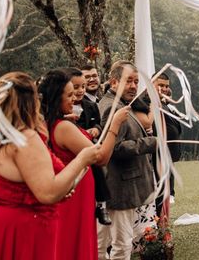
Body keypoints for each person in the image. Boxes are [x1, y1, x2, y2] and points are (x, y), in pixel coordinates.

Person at [0, 72, 100, 260]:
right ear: (31, 102)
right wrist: (83, 158)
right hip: (17, 233)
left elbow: (20, 181)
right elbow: (47, 193)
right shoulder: (24, 137)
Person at [39, 69, 130, 260]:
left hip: (78, 192)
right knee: (73, 243)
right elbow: (101, 157)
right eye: (70, 95)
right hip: (75, 195)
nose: (75, 99)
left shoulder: (53, 122)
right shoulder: (63, 127)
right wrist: (114, 124)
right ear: (56, 98)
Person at [97, 61, 158, 260]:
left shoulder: (120, 103)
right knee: (122, 245)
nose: (133, 86)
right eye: (128, 81)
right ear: (114, 82)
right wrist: (151, 143)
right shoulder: (111, 107)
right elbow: (115, 148)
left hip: (115, 187)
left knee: (100, 242)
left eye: (136, 82)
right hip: (119, 187)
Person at [67, 67, 112, 225]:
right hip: (71, 153)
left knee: (98, 169)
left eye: (82, 87)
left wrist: (96, 130)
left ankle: (102, 204)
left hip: (90, 145)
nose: (80, 91)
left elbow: (99, 124)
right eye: (75, 87)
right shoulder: (61, 111)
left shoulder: (91, 106)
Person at [152, 73, 182, 213]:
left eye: (166, 86)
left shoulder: (166, 103)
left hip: (169, 152)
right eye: (161, 85)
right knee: (160, 192)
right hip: (157, 153)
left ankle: (162, 225)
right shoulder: (151, 103)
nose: (164, 89)